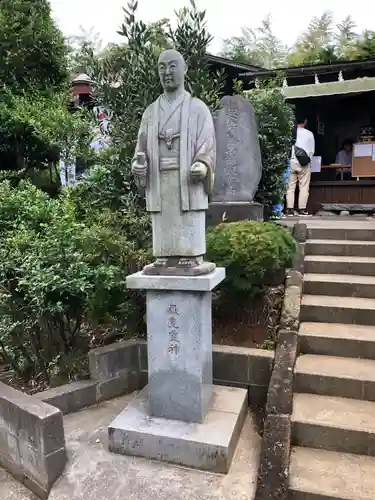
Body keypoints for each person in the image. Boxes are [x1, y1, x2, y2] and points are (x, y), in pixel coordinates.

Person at [131, 49, 216, 276]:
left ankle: (191, 255)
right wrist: (139, 165)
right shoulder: (150, 113)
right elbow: (140, 150)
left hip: (187, 179)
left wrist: (203, 164)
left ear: (184, 69)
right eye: (162, 67)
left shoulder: (198, 108)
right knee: (164, 220)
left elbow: (207, 143)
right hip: (160, 179)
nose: (167, 72)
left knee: (186, 217)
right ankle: (164, 256)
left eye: (172, 66)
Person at [286, 115, 315, 216]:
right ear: (305, 121)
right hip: (304, 163)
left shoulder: (291, 132)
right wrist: (308, 160)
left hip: (291, 161)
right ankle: (302, 209)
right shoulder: (309, 134)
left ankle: (290, 209)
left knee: (290, 187)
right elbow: (312, 151)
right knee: (304, 187)